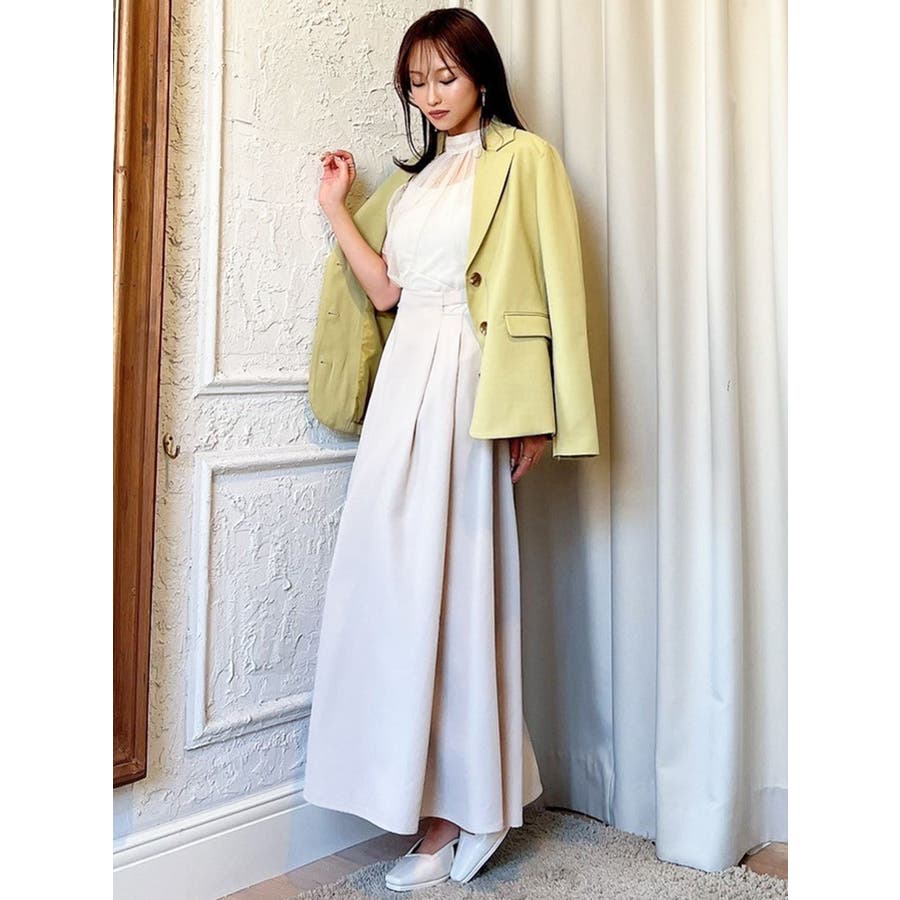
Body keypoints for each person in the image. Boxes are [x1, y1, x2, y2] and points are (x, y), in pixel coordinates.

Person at [302, 8, 599, 892]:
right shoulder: (415, 182)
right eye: (417, 82)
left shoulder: (526, 160)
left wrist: (537, 411)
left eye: (446, 77)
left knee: (465, 591)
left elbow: (556, 285)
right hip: (405, 384)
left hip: (476, 382)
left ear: (481, 75)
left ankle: (463, 811)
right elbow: (386, 291)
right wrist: (336, 208)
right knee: (394, 591)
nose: (431, 96)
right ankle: (444, 802)